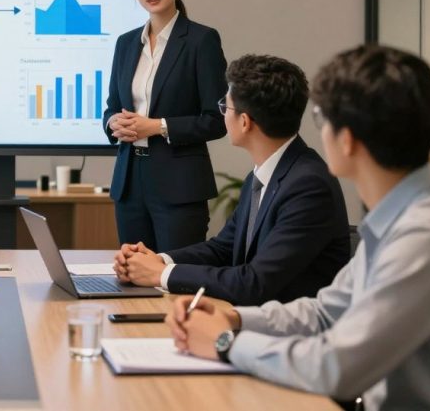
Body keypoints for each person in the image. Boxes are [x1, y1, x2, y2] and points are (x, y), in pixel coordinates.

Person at [167, 45, 430, 411]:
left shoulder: (429, 235)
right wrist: (233, 318)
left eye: (321, 119)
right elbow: (325, 312)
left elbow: (336, 367)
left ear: (346, 139)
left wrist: (226, 342)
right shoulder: (403, 218)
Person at [113, 54, 350, 306]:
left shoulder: (308, 186)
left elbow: (254, 283)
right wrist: (159, 260)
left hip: (289, 334)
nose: (223, 114)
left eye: (225, 107)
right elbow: (223, 248)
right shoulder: (263, 175)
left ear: (245, 122)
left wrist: (160, 274)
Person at [103, 0, 228, 251]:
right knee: (133, 277)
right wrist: (114, 123)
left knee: (175, 277)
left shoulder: (201, 41)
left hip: (179, 184)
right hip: (130, 182)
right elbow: (110, 108)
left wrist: (157, 126)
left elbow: (217, 119)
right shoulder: (126, 43)